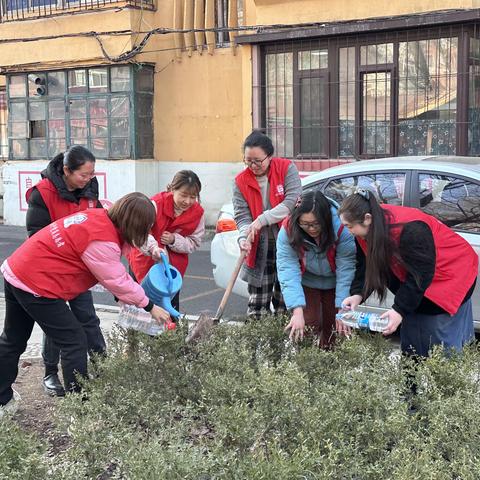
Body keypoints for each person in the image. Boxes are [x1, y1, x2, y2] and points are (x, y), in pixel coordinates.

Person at [0, 193, 170, 415]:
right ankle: (79, 410)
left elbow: (136, 236)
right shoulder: (101, 241)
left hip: (18, 270)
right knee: (74, 342)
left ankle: (2, 399)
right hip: (38, 284)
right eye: (145, 226)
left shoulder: (105, 215)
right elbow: (118, 281)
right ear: (133, 223)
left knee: (12, 339)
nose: (147, 231)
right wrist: (150, 306)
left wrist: (153, 249)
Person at [339, 189, 478, 358]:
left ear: (367, 218)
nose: (348, 231)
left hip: (450, 276)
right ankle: (411, 383)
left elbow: (421, 275)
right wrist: (358, 294)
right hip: (418, 284)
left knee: (442, 346)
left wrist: (399, 310)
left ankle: (447, 380)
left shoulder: (411, 228)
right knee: (413, 346)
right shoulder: (365, 229)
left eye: (349, 226)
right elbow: (366, 265)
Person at [25, 146, 106, 397]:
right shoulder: (44, 193)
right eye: (83, 174)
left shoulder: (90, 191)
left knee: (88, 319)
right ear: (66, 170)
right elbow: (36, 236)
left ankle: (103, 367)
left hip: (79, 270)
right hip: (51, 271)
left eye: (92, 174)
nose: (88, 179)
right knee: (58, 325)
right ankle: (50, 372)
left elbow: (99, 222)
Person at [233, 131, 302, 318]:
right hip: (259, 247)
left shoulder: (287, 168)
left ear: (269, 156)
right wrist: (243, 237)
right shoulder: (240, 181)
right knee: (257, 306)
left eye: (258, 161)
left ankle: (285, 345)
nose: (253, 166)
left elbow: (291, 203)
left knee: (285, 302)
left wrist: (261, 219)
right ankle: (257, 345)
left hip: (288, 242)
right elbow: (241, 216)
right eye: (248, 161)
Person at [277, 190, 356, 346]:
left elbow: (345, 268)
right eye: (305, 224)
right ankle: (305, 362)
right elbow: (287, 268)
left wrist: (342, 307)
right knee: (307, 324)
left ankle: (331, 363)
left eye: (316, 223)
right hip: (307, 280)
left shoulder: (341, 227)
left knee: (334, 327)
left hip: (335, 281)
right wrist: (297, 310)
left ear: (325, 219)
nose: (311, 229)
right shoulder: (288, 229)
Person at [128, 170, 205, 311]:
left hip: (172, 270)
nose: (187, 201)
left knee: (169, 308)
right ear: (172, 189)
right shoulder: (155, 204)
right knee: (140, 307)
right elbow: (139, 233)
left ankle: (168, 332)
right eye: (183, 195)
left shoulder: (198, 213)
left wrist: (174, 240)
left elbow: (194, 242)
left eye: (193, 197)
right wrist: (153, 248)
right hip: (144, 261)